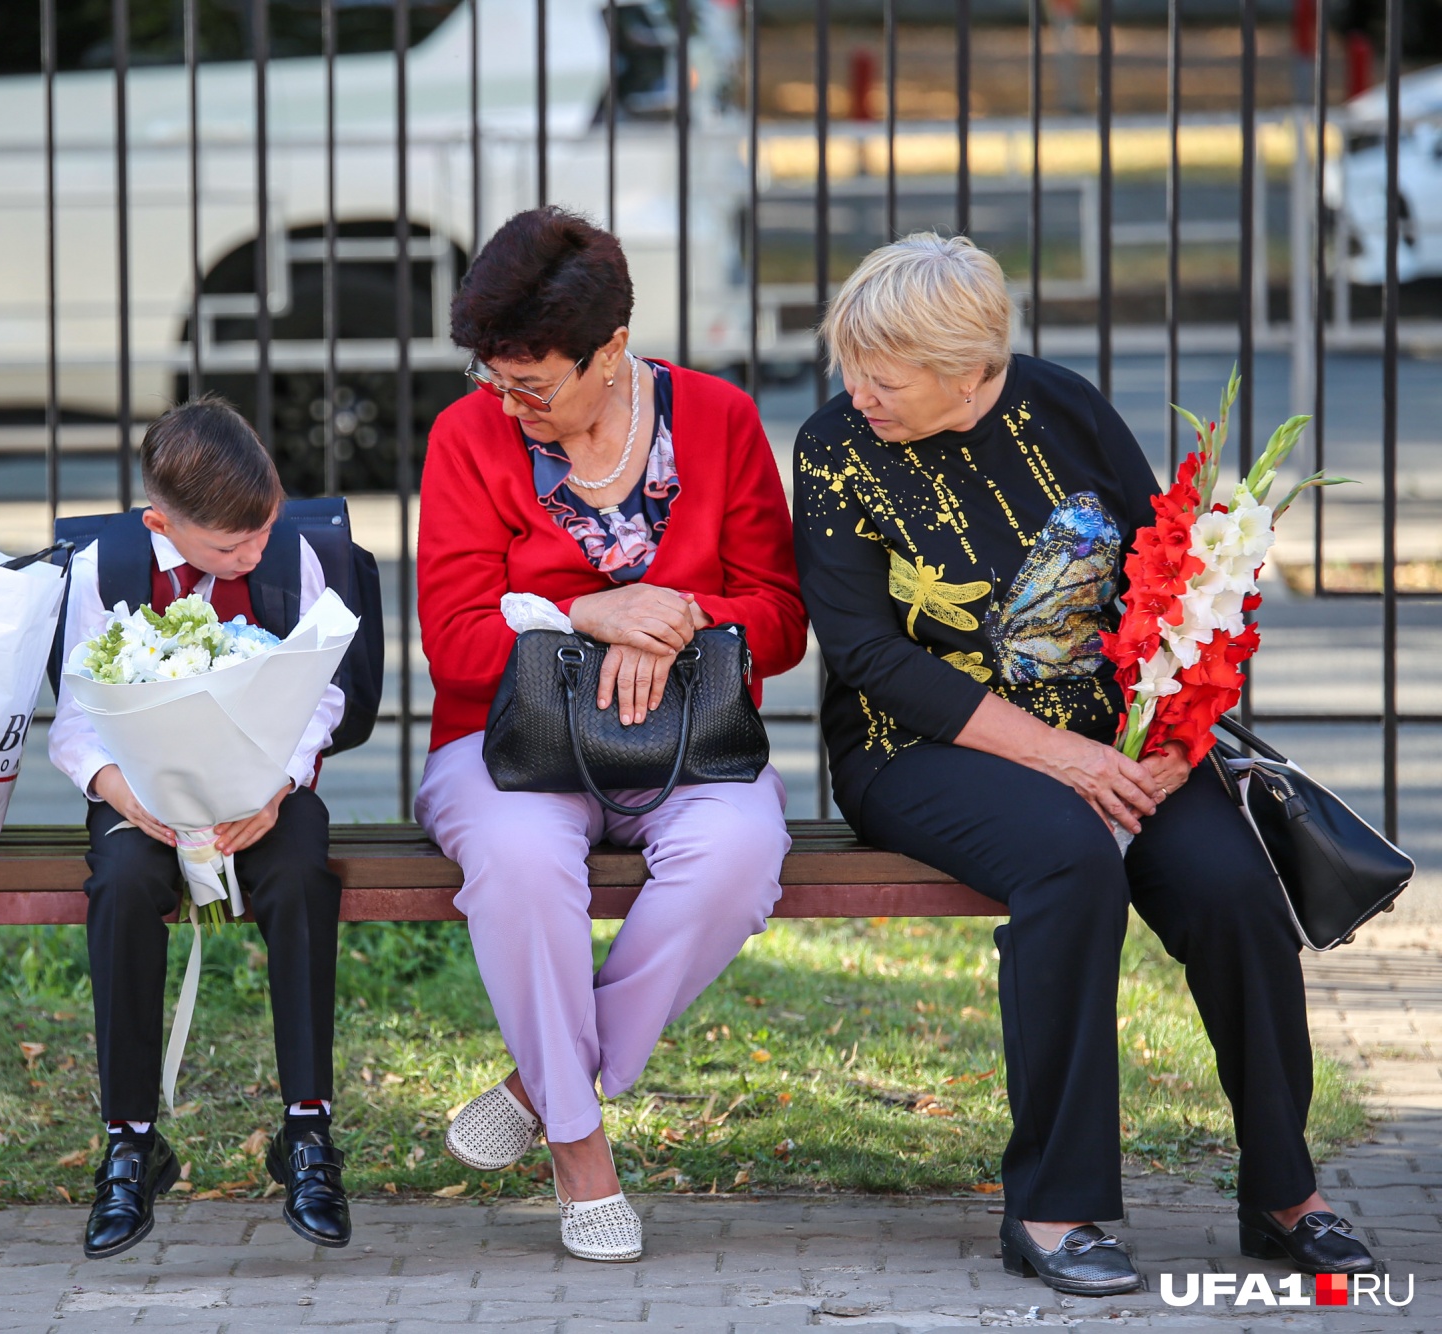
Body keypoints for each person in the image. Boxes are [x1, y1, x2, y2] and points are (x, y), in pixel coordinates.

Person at [792, 233, 1378, 1295]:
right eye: (851, 365)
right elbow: (869, 655)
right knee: (1068, 859)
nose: (856, 390)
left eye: (881, 373)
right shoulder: (835, 445)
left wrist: (1169, 739)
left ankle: (1284, 1190)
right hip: (921, 744)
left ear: (970, 371)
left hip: (1114, 737)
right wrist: (1060, 757)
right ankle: (1052, 1206)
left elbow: (1169, 579)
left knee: (1230, 884)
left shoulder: (1062, 408)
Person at [415, 207, 809, 1263]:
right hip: (506, 743)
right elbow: (452, 643)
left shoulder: (719, 420)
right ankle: (580, 1147)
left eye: (533, 383)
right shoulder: (466, 436)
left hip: (689, 741)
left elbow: (778, 616)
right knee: (514, 860)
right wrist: (586, 613)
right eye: (493, 377)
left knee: (737, 853)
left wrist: (676, 612)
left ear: (612, 350)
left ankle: (538, 1082)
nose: (509, 402)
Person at [47, 396, 351, 1257]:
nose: (252, 553)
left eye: (263, 531)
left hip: (265, 796)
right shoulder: (107, 572)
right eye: (229, 547)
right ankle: (132, 1141)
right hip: (142, 793)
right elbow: (76, 717)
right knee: (125, 882)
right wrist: (117, 788)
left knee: (298, 878)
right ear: (160, 523)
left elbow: (321, 690)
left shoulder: (289, 555)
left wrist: (280, 785)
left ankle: (306, 1130)